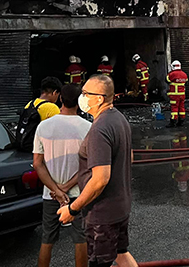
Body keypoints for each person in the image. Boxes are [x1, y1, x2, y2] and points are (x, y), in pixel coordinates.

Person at [58, 75, 137, 267]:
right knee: (120, 253)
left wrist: (73, 208)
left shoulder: (99, 129)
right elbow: (130, 157)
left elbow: (100, 179)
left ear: (99, 98)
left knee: (99, 262)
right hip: (120, 206)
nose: (81, 97)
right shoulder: (118, 119)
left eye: (86, 93)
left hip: (103, 214)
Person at [33, 84, 92, 267]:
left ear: (60, 99)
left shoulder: (43, 127)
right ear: (80, 103)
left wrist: (57, 190)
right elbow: (89, 165)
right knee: (80, 239)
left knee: (47, 240)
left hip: (50, 194)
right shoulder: (88, 128)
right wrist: (66, 187)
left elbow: (37, 163)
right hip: (79, 194)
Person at [166, 60, 188, 128]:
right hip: (182, 95)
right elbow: (186, 82)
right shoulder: (184, 74)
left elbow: (167, 80)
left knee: (174, 108)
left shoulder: (172, 74)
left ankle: (173, 122)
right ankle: (181, 121)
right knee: (181, 107)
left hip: (175, 95)